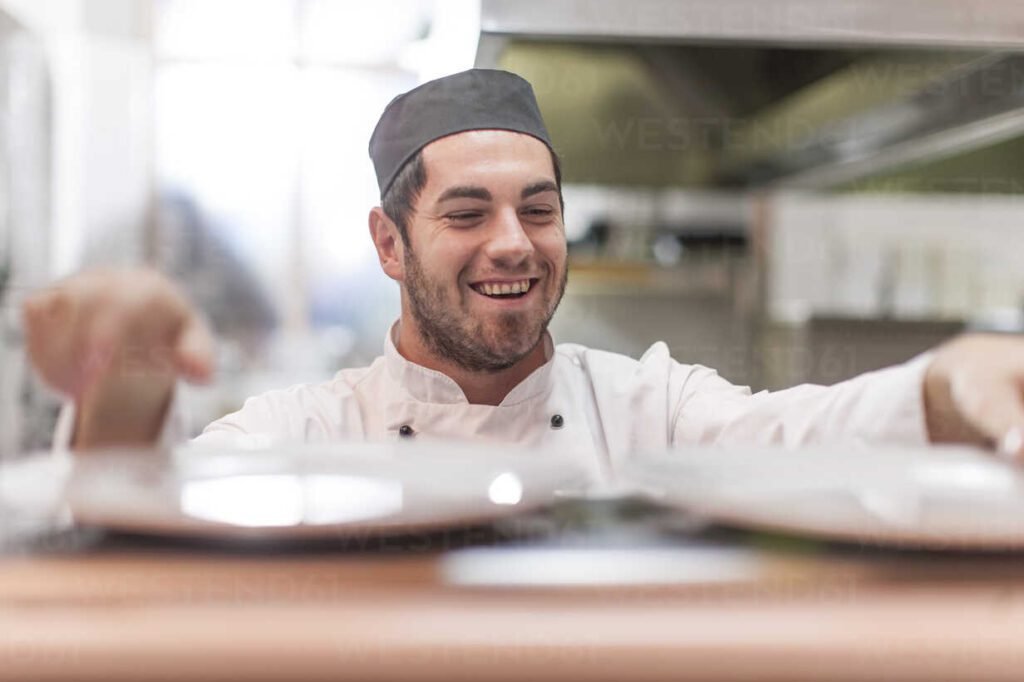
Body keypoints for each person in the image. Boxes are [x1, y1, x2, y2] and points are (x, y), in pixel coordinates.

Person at [21, 69, 1024, 467]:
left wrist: (942, 383)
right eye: (467, 213)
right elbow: (153, 506)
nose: (514, 242)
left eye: (538, 210)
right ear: (388, 243)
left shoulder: (650, 407)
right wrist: (125, 390)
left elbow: (805, 433)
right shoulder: (308, 432)